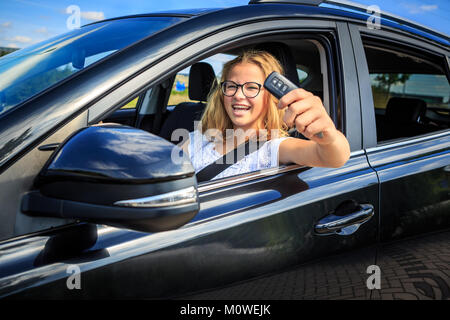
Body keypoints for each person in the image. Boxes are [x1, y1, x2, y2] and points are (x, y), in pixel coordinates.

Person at [180, 50, 350, 180]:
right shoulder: (200, 138)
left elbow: (333, 158)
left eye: (252, 88)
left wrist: (329, 137)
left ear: (270, 97)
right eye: (231, 86)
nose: (238, 95)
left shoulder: (273, 148)